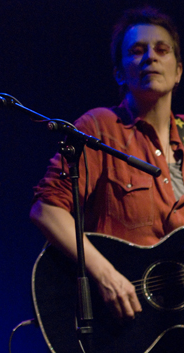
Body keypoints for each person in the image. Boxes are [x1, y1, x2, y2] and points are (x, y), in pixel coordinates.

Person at [30, 5, 183, 323]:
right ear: (119, 73)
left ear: (179, 70)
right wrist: (106, 275)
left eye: (161, 49)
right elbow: (46, 209)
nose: (150, 57)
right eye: (137, 51)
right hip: (123, 323)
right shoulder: (100, 127)